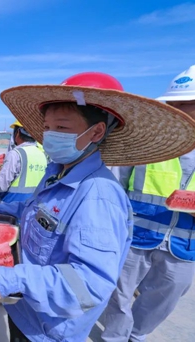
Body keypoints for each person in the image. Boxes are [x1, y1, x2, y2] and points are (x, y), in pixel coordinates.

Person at [0, 71, 195, 341]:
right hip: (28, 310)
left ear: (97, 131)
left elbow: (89, 284)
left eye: (61, 128)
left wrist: (10, 280)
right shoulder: (57, 171)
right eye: (48, 127)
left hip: (50, 329)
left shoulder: (99, 196)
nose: (50, 135)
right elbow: (36, 212)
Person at [102, 65, 195, 342]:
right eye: (174, 104)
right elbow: (115, 186)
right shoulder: (147, 144)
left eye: (185, 104)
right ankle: (114, 338)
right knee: (117, 293)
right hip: (135, 237)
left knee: (164, 299)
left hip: (185, 245)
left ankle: (137, 336)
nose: (177, 111)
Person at [0, 120, 47, 204]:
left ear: (17, 133)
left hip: (11, 206)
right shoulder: (42, 155)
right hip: (33, 207)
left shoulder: (15, 154)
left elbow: (1, 186)